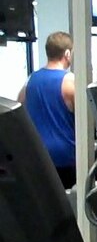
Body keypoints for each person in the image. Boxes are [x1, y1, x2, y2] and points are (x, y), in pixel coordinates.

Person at [18, 31, 76, 188]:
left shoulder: (31, 79)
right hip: (66, 159)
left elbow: (18, 109)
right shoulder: (70, 81)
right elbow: (88, 118)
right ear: (67, 53)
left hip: (38, 159)